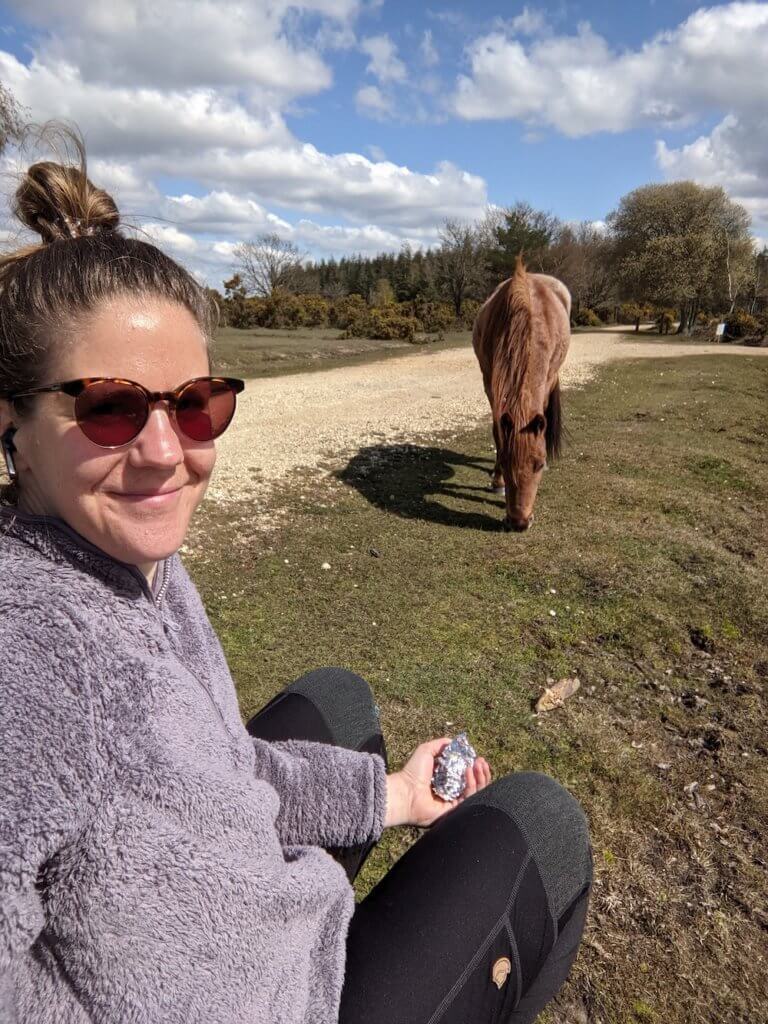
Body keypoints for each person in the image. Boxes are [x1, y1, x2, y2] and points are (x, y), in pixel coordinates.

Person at [0, 129, 592, 1024]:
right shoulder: (29, 663)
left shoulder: (130, 563)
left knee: (340, 699)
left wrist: (391, 797)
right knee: (544, 823)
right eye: (110, 407)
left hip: (246, 932)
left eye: (197, 404)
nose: (166, 452)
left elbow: (220, 768)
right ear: (11, 423)